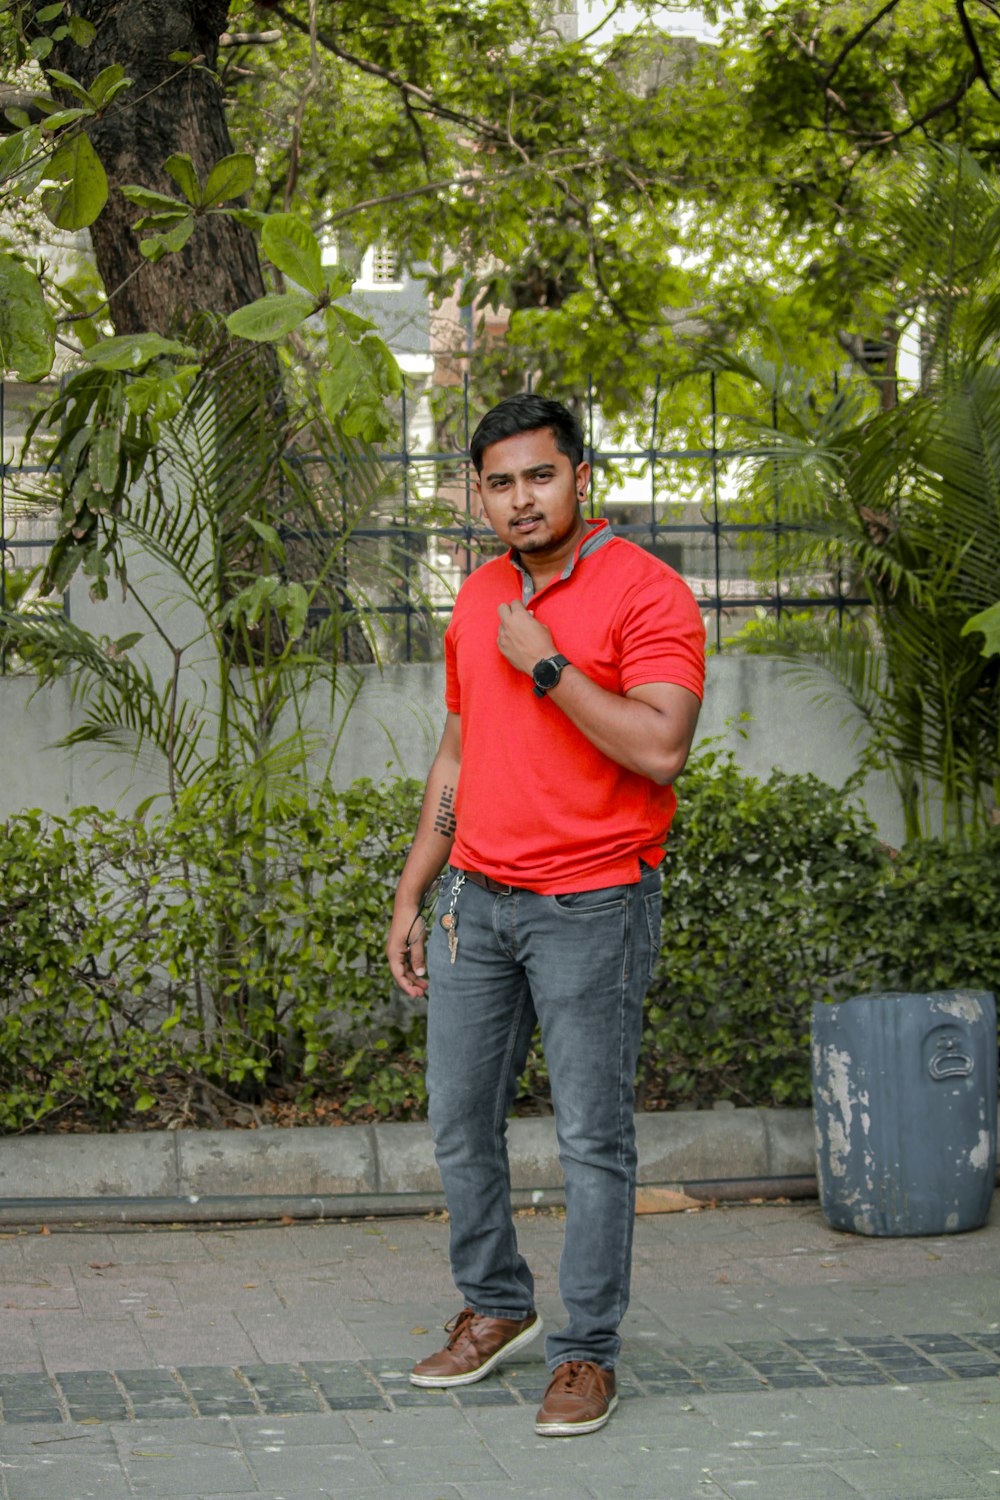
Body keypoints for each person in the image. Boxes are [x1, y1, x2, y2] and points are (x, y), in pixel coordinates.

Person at [386, 392, 705, 1437]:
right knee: (457, 1120)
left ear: (580, 478)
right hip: (478, 903)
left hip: (593, 904)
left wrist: (549, 664)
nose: (520, 499)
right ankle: (497, 1305)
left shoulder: (646, 592)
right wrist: (413, 884)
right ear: (477, 496)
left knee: (591, 1141)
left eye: (539, 476)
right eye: (499, 482)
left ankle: (586, 1354)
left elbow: (659, 748)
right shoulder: (478, 598)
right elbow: (460, 751)